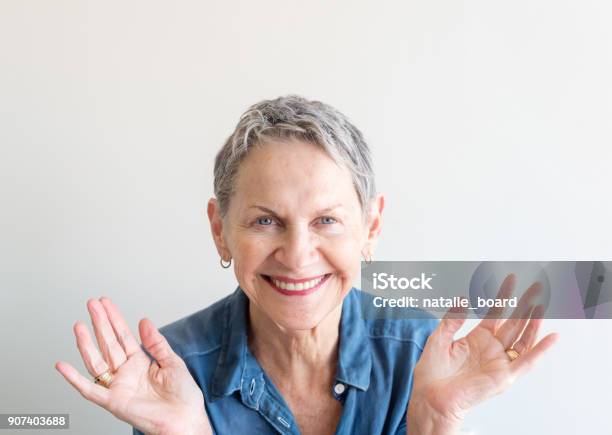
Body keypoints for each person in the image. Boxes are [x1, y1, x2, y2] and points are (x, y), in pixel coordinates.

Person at [55, 95, 558, 435]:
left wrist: (430, 420)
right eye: (266, 221)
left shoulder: (425, 356)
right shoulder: (170, 371)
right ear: (219, 229)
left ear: (371, 228)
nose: (297, 256)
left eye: (326, 220)